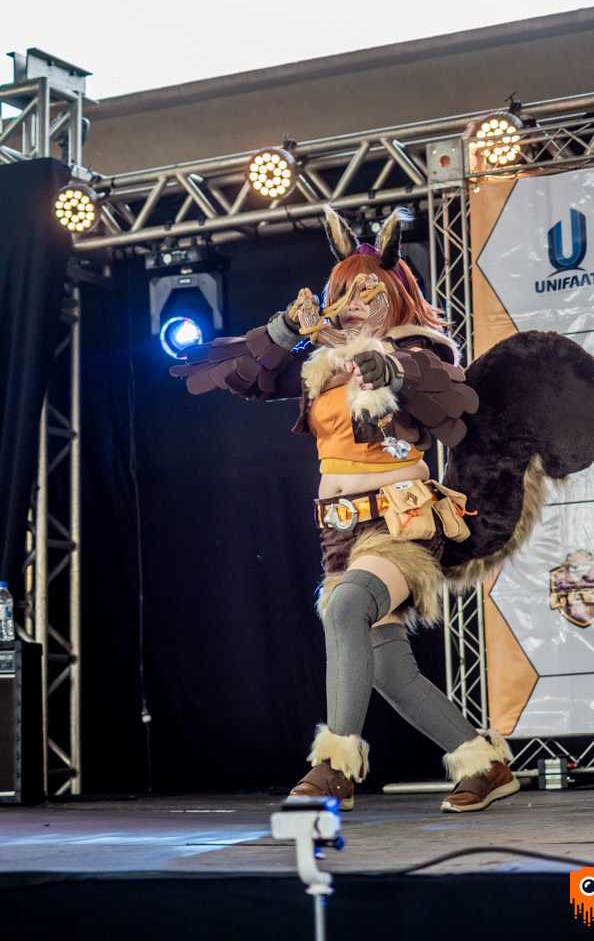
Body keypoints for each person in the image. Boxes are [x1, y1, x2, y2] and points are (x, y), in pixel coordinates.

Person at [172, 204, 519, 814]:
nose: (353, 304)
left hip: (401, 521)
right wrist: (287, 326)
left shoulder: (418, 349)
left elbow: (443, 396)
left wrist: (389, 369)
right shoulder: (323, 362)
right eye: (343, 293)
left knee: (346, 607)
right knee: (390, 672)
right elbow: (249, 378)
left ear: (392, 295)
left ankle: (334, 767)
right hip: (339, 532)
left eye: (367, 292)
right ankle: (484, 764)